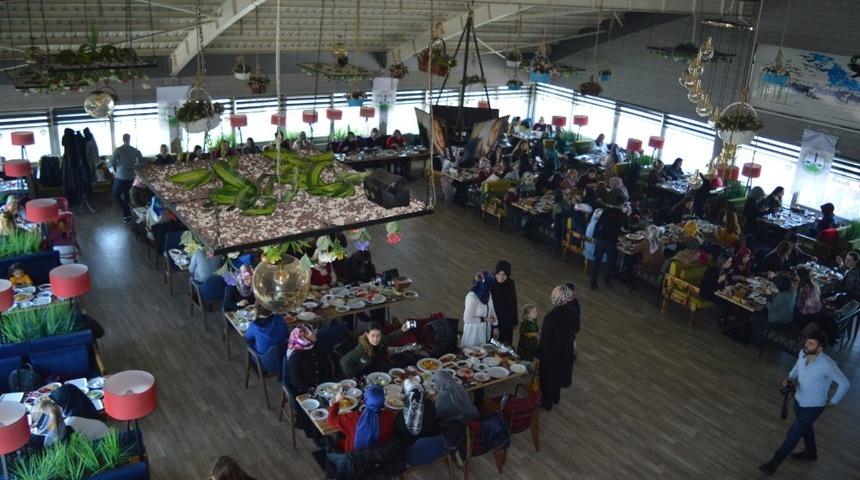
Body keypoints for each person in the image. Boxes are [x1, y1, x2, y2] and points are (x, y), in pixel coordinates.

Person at [758, 332, 849, 476]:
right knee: (805, 428)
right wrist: (790, 378)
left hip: (814, 406)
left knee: (793, 434)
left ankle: (773, 464)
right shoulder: (802, 353)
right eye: (807, 341)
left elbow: (844, 383)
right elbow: (796, 369)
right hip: (799, 400)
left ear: (820, 348)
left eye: (811, 343)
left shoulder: (827, 365)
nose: (806, 344)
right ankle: (811, 452)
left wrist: (833, 401)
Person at [536, 284, 580, 411]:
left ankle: (547, 403)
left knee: (547, 379)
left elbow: (545, 341)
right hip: (566, 351)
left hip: (551, 354)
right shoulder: (573, 312)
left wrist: (538, 354)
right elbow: (577, 328)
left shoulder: (551, 317)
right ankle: (556, 398)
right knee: (559, 377)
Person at [328, 384, 395, 453]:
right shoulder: (389, 416)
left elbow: (331, 420)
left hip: (352, 454)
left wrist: (337, 402)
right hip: (378, 454)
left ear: (365, 401)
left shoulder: (352, 417)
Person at [340, 322, 408, 378]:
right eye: (372, 336)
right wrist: (352, 377)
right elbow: (344, 361)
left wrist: (401, 330)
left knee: (394, 373)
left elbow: (390, 337)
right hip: (365, 369)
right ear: (367, 335)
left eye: (378, 336)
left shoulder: (380, 339)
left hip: (376, 363)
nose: (375, 339)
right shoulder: (360, 350)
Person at [287, 323, 333, 394]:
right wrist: (311, 390)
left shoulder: (314, 346)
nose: (316, 332)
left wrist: (328, 383)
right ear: (303, 337)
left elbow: (326, 363)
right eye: (311, 331)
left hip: (324, 387)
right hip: (307, 391)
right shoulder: (295, 355)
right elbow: (296, 380)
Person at [590, 204, 627, 289]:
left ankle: (593, 283)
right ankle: (606, 279)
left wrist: (595, 236)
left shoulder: (607, 211)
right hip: (612, 241)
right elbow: (625, 228)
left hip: (601, 238)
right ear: (622, 205)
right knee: (611, 263)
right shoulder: (622, 214)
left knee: (597, 262)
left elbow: (598, 223)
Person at [108, 133, 143, 223]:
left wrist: (112, 169)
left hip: (120, 176)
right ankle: (130, 215)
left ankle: (127, 212)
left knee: (115, 196)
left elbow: (111, 163)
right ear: (129, 139)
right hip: (131, 177)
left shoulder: (118, 150)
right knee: (127, 195)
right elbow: (142, 162)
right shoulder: (135, 150)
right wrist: (134, 167)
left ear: (123, 139)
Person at [751, 275, 797, 343]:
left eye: (776, 284)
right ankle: (757, 334)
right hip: (788, 319)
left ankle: (758, 337)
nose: (775, 286)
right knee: (761, 310)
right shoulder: (792, 292)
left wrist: (769, 295)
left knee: (757, 315)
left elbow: (770, 308)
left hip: (779, 321)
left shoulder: (782, 296)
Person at [395, 377, 438, 445]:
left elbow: (398, 427)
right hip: (425, 437)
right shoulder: (429, 404)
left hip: (405, 441)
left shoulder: (406, 408)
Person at [460, 271, 497, 347]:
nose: (491, 288)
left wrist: (495, 326)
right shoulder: (471, 297)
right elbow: (467, 319)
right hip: (473, 335)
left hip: (484, 332)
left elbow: (492, 309)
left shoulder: (488, 294)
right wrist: (485, 319)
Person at [490, 261, 518, 344]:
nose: (501, 277)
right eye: (499, 273)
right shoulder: (491, 284)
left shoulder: (510, 283)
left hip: (507, 322)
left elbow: (514, 302)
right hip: (494, 320)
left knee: (505, 344)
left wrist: (514, 321)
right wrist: (495, 326)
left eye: (504, 275)